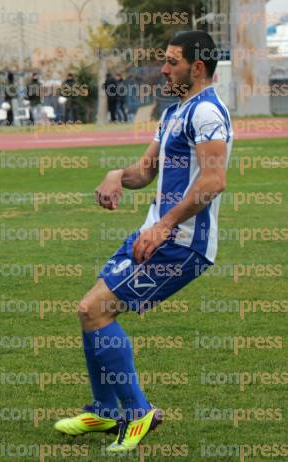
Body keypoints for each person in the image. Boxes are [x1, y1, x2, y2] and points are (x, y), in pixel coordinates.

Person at [54, 31, 232, 453]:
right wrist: (118, 175)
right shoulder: (174, 111)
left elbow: (214, 180)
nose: (164, 69)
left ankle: (137, 413)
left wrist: (165, 225)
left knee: (94, 309)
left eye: (172, 62)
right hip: (155, 233)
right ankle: (105, 409)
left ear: (198, 68)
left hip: (181, 242)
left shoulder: (207, 113)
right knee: (90, 310)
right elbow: (145, 171)